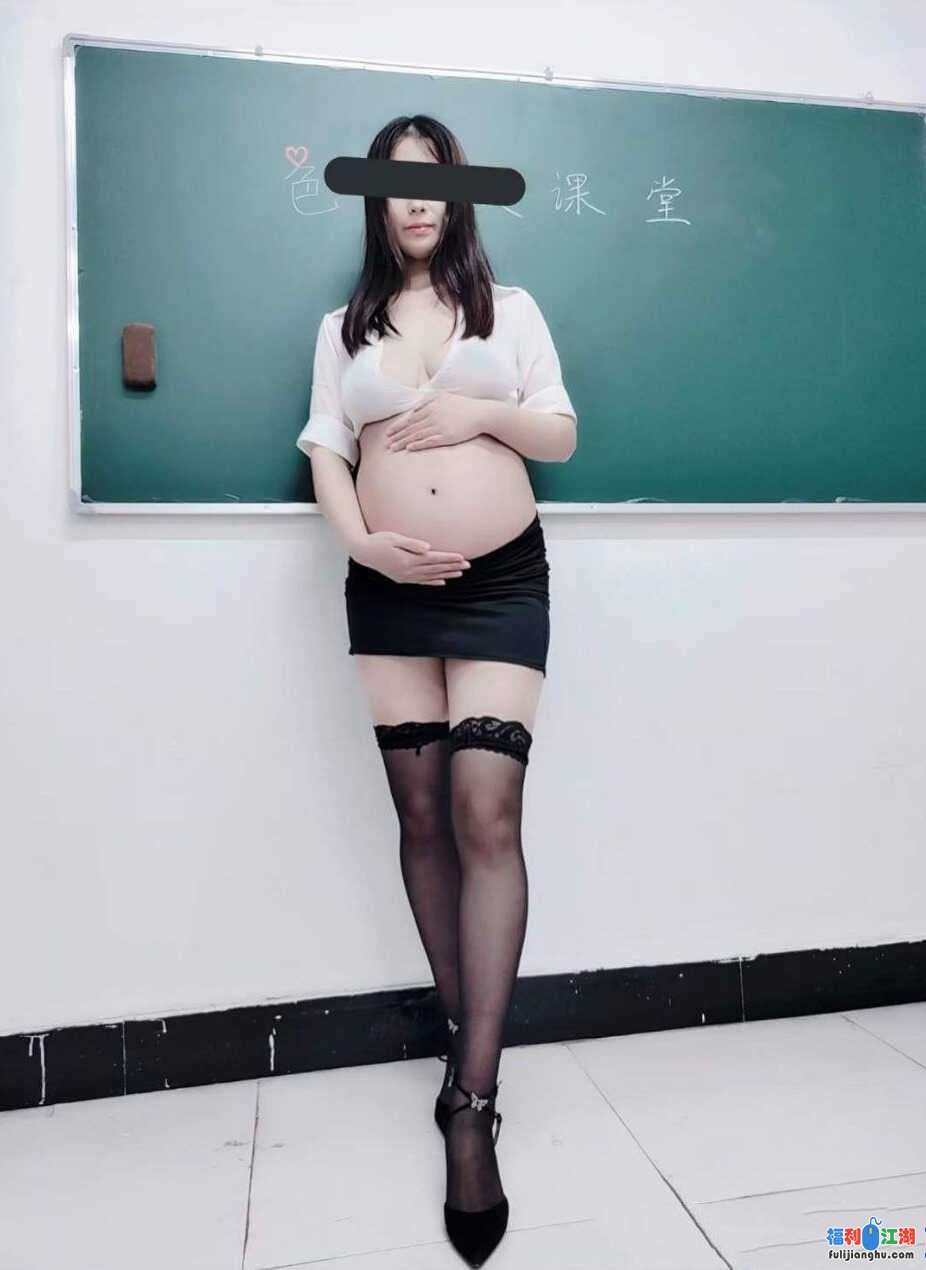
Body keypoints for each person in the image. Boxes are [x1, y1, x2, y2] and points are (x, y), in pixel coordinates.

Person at [296, 114, 577, 1267]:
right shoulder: (341, 327)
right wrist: (362, 542)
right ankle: (464, 1039)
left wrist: (479, 413)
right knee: (419, 817)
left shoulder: (510, 310)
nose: (415, 202)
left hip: (500, 584)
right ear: (374, 201)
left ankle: (472, 1100)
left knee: (483, 811)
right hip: (389, 591)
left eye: (432, 184)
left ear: (458, 198)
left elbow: (558, 435)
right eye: (394, 185)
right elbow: (326, 447)